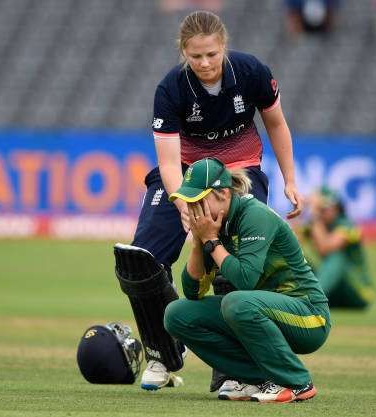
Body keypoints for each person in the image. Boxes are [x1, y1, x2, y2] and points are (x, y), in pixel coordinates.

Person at [121, 10, 303, 391]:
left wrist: (290, 179)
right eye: (195, 56)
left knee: (233, 269)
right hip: (185, 174)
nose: (204, 63)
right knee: (140, 261)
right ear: (183, 53)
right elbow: (169, 162)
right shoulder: (170, 89)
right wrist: (183, 205)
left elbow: (276, 123)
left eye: (212, 55)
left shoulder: (252, 72)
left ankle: (234, 371)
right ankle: (162, 354)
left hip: (239, 171)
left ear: (224, 48)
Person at [164, 158, 330, 403]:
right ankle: (258, 378)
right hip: (263, 310)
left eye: (198, 200)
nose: (192, 208)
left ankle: (296, 383)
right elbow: (193, 292)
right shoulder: (214, 226)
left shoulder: (253, 215)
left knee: (237, 302)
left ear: (222, 193)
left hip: (309, 316)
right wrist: (199, 243)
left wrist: (212, 241)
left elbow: (245, 280)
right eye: (189, 202)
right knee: (177, 314)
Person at [298, 187, 375, 309]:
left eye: (325, 208)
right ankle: (295, 299)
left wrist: (314, 214)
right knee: (296, 258)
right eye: (321, 209)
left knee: (337, 257)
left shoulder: (347, 225)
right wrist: (300, 212)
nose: (324, 212)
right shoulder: (316, 224)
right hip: (333, 292)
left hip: (357, 291)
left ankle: (314, 299)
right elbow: (290, 244)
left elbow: (325, 247)